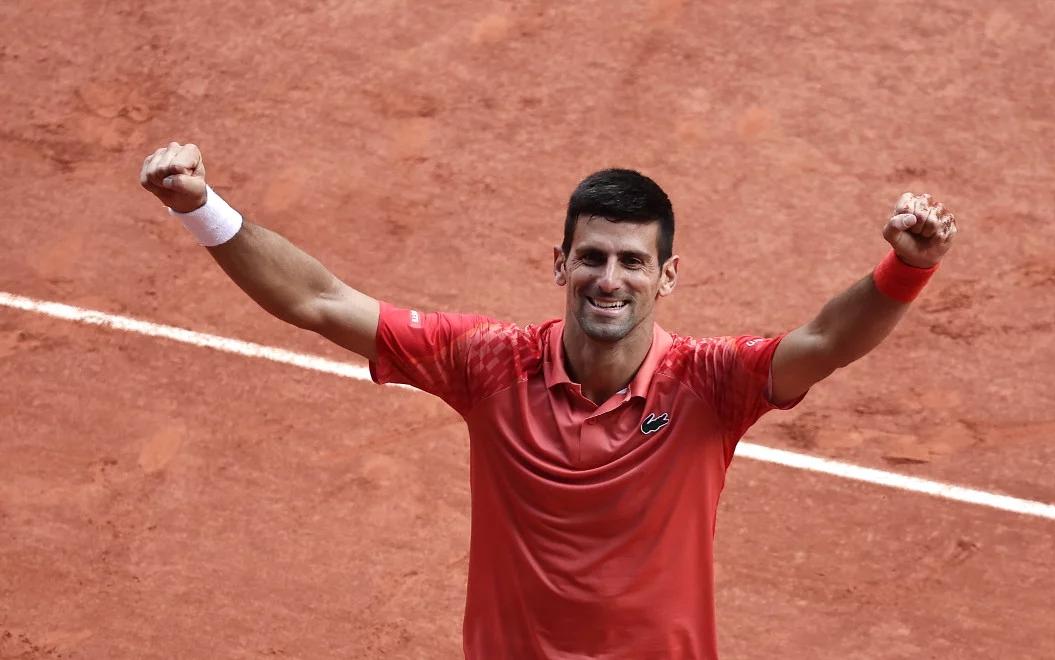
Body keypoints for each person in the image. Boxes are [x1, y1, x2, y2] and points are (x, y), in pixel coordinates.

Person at [139, 141, 958, 659]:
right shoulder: (487, 363)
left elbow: (825, 341)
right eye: (593, 256)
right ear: (559, 264)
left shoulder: (712, 383)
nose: (611, 278)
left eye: (634, 262)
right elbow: (318, 301)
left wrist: (905, 271)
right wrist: (201, 210)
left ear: (667, 277)